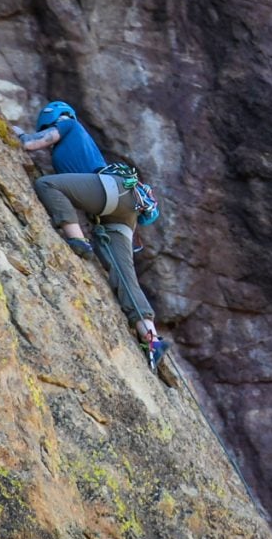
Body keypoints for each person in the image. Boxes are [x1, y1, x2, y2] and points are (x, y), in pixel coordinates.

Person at [14, 100, 170, 365]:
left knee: (47, 184)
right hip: (122, 209)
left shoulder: (67, 123)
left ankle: (76, 239)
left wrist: (17, 136)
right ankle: (151, 338)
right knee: (123, 274)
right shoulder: (83, 146)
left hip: (111, 192)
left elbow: (32, 143)